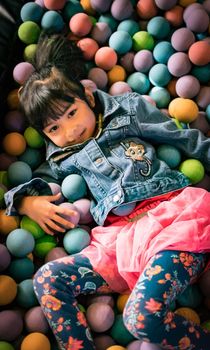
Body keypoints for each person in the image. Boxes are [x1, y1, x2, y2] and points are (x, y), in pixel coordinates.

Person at [4, 33, 210, 350]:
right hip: (119, 242)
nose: (70, 130)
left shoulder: (125, 112)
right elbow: (33, 183)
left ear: (87, 97)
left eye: (71, 113)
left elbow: (181, 137)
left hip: (171, 220)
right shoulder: (60, 158)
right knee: (47, 279)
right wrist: (28, 202)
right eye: (54, 128)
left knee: (139, 317)